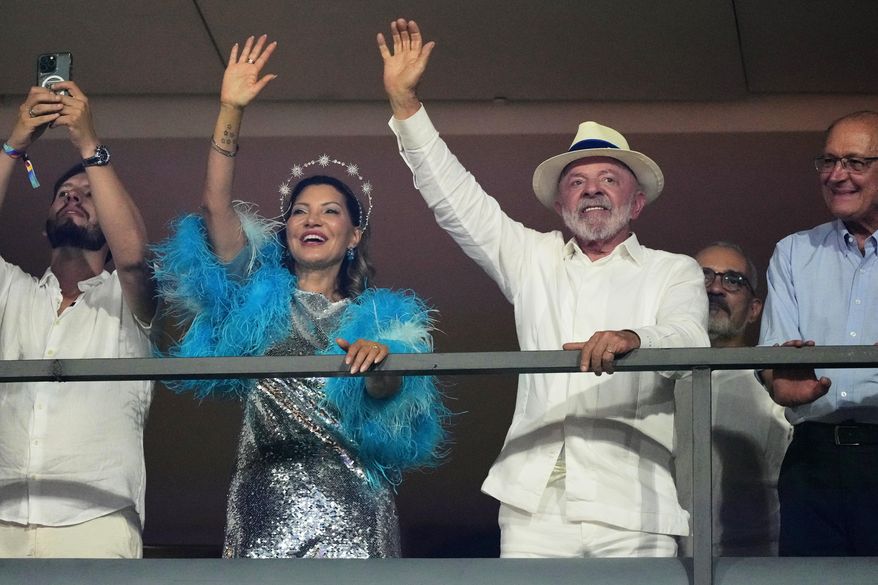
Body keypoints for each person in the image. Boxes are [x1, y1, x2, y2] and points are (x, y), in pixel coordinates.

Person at [377, 19, 709, 558]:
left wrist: (634, 337)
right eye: (576, 182)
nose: (592, 190)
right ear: (560, 206)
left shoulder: (673, 270)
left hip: (633, 501)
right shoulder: (534, 258)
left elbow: (691, 338)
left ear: (637, 202)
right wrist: (406, 105)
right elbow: (455, 198)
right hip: (533, 503)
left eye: (608, 179)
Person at [153, 35, 448, 559]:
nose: (312, 218)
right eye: (300, 210)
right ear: (286, 228)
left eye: (331, 211)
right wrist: (230, 110)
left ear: (354, 235)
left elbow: (391, 404)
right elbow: (215, 208)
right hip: (265, 506)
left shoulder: (383, 322)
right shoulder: (254, 301)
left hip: (356, 510)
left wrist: (382, 368)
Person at [0, 82, 155, 557]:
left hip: (97, 520)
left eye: (88, 195)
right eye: (64, 193)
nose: (73, 197)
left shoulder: (126, 300)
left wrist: (89, 146)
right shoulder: (13, 291)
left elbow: (132, 257)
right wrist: (15, 142)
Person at [759, 110, 878, 556]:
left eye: (854, 162)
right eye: (827, 162)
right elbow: (776, 357)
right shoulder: (792, 252)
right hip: (813, 460)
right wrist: (778, 378)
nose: (836, 175)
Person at [675, 242, 792, 556]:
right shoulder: (659, 381)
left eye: (733, 281)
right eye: (704, 278)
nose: (715, 289)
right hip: (670, 561)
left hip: (757, 562)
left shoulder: (778, 386)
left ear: (754, 309)